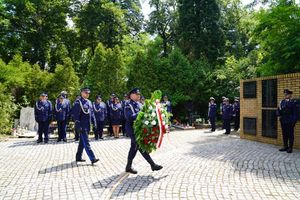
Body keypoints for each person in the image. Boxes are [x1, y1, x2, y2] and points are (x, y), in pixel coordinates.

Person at [124, 88, 163, 174]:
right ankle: (152, 165)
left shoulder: (139, 104)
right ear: (131, 95)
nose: (139, 96)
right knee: (140, 145)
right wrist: (141, 113)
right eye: (137, 94)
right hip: (131, 129)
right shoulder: (128, 105)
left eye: (139, 94)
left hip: (139, 129)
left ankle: (128, 167)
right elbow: (129, 117)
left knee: (133, 148)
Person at [73, 88, 99, 164]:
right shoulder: (78, 102)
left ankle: (78, 157)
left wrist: (94, 123)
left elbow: (92, 114)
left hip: (87, 125)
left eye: (88, 93)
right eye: (86, 93)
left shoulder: (89, 102)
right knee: (86, 142)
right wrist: (78, 126)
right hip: (82, 126)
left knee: (82, 142)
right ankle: (92, 158)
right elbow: (76, 116)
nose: (87, 94)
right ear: (81, 93)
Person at [277, 89, 298, 153]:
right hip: (283, 121)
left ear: (290, 95)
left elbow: (295, 113)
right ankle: (285, 146)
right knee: (284, 134)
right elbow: (278, 110)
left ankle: (290, 148)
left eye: (287, 94)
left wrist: (293, 122)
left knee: (290, 135)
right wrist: (278, 115)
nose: (286, 95)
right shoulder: (282, 102)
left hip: (290, 121)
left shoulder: (293, 102)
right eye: (285, 94)